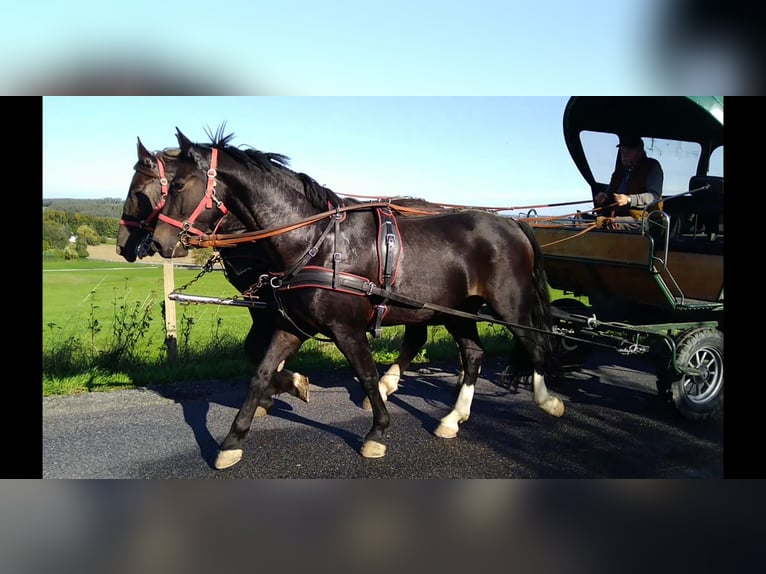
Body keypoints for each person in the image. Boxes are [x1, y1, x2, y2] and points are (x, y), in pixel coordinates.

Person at [594, 134, 664, 230]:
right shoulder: (619, 172)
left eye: (628, 151)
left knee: (611, 224)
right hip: (616, 214)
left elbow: (654, 196)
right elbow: (609, 195)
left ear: (640, 152)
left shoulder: (651, 167)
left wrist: (629, 199)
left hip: (640, 218)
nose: (624, 154)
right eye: (622, 150)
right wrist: (604, 198)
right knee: (581, 221)